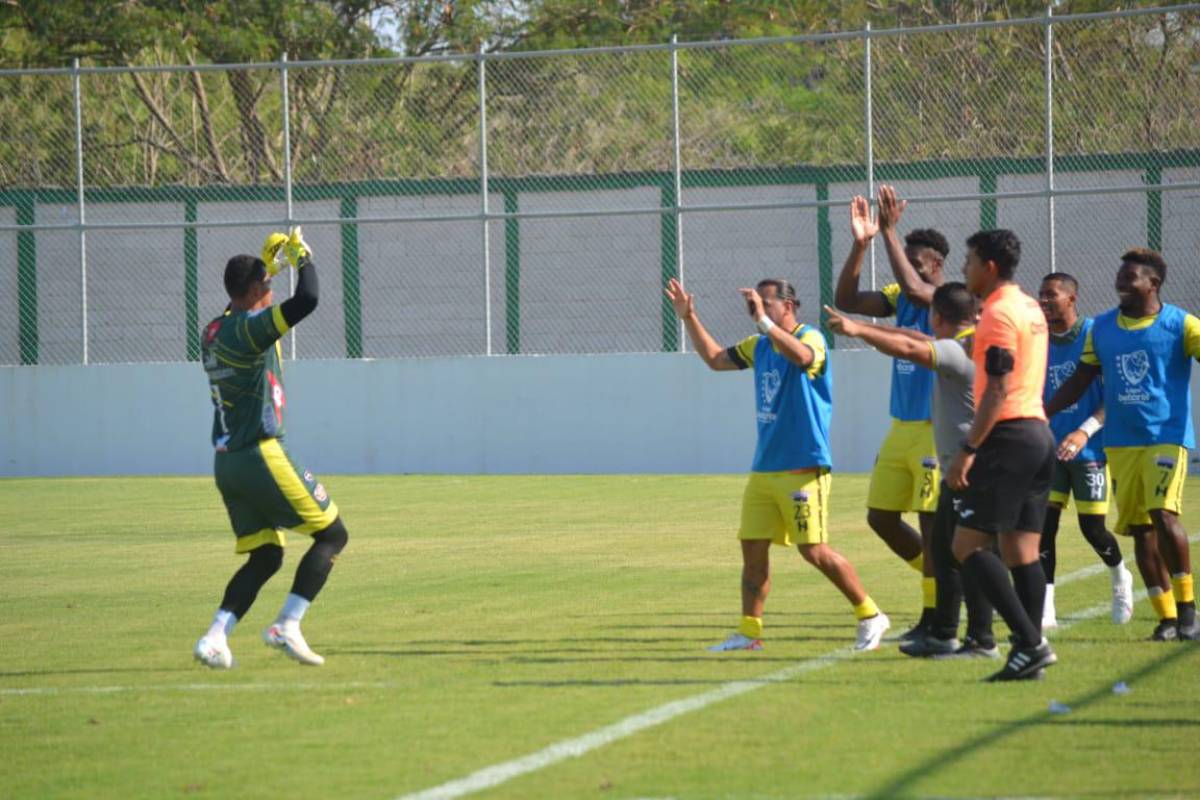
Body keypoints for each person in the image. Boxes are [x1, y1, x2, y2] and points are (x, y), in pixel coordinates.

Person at [665, 276, 890, 652]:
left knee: (814, 550)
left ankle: (870, 615)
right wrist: (689, 317)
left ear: (788, 306)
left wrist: (764, 324)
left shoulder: (811, 337)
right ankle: (749, 632)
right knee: (752, 550)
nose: (758, 308)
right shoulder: (759, 345)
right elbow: (716, 360)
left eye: (766, 302)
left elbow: (803, 358)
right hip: (765, 468)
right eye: (756, 303)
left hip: (803, 466)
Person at [193, 228, 349, 668]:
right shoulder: (248, 331)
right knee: (333, 534)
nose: (272, 290)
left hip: (227, 464)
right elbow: (309, 300)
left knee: (266, 556)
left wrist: (268, 269)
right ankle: (288, 624)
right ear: (256, 291)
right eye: (267, 284)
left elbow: (240, 305)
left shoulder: (213, 329)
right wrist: (302, 258)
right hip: (261, 452)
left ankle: (215, 637)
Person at [826, 283, 997, 659]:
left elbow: (908, 346)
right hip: (951, 453)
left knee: (965, 547)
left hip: (964, 457)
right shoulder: (968, 338)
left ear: (938, 316)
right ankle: (958, 627)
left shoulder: (960, 348)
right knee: (943, 543)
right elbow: (909, 336)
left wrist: (857, 330)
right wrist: (865, 327)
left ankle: (976, 630)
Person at [1046, 249, 1198, 641]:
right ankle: (1166, 619)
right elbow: (1081, 379)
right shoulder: (1103, 329)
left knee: (1163, 514)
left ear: (1153, 283)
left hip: (1166, 436)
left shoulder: (1181, 325)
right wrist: (1040, 411)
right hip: (1120, 443)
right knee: (1141, 530)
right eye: (1120, 275)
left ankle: (1188, 611)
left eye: (1129, 277)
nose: (1120, 282)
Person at [834, 186, 946, 639]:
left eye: (915, 262)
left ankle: (936, 615)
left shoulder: (948, 299)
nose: (905, 270)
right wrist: (862, 245)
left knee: (932, 524)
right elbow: (847, 299)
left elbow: (920, 292)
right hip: (901, 427)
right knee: (880, 517)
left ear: (937, 265)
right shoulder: (901, 296)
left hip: (935, 431)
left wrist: (890, 233)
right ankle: (944, 579)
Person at [945, 229, 1057, 682]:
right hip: (1038, 433)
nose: (964, 269)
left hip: (1008, 436)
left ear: (989, 266)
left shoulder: (996, 313)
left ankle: (1030, 644)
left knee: (966, 545)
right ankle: (1026, 653)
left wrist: (970, 449)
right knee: (1021, 550)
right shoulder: (1030, 306)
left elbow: (996, 387)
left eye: (968, 260)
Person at [1037, 273, 1135, 628]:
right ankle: (1045, 607)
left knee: (1092, 528)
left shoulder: (1097, 335)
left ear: (1072, 297)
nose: (1044, 301)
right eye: (1041, 296)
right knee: (1043, 527)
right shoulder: (1040, 340)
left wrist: (1084, 430)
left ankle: (1120, 576)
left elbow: (1114, 395)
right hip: (1049, 447)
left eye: (1052, 295)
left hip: (1090, 447)